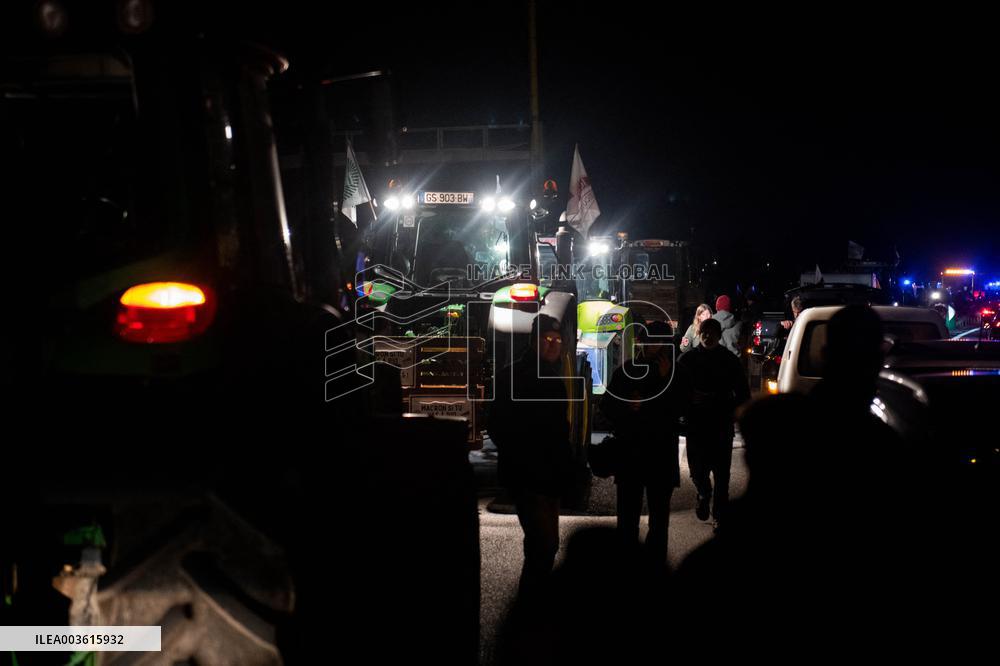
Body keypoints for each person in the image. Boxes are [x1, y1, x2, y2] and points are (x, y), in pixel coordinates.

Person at [488, 313, 573, 593]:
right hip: (529, 475)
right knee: (543, 544)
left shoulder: (554, 379)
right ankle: (530, 607)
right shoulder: (514, 376)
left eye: (557, 340)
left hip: (548, 477)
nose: (553, 345)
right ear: (534, 341)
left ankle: (533, 606)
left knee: (544, 545)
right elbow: (498, 424)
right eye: (547, 339)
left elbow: (561, 431)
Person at [600, 321, 686, 565]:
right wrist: (627, 405)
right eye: (647, 340)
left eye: (657, 341)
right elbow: (606, 406)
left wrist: (661, 382)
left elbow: (681, 409)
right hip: (632, 454)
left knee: (658, 523)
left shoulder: (675, 373)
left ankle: (653, 571)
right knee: (628, 521)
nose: (651, 346)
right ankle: (629, 568)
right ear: (639, 342)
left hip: (659, 454)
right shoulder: (626, 371)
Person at [677, 317, 750, 526]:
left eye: (712, 333)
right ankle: (703, 493)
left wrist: (730, 408)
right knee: (697, 470)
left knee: (722, 475)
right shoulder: (687, 361)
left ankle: (720, 515)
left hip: (721, 425)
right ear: (699, 334)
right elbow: (677, 391)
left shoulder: (729, 361)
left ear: (719, 335)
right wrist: (690, 401)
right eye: (704, 332)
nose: (708, 336)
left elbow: (743, 393)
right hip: (696, 425)